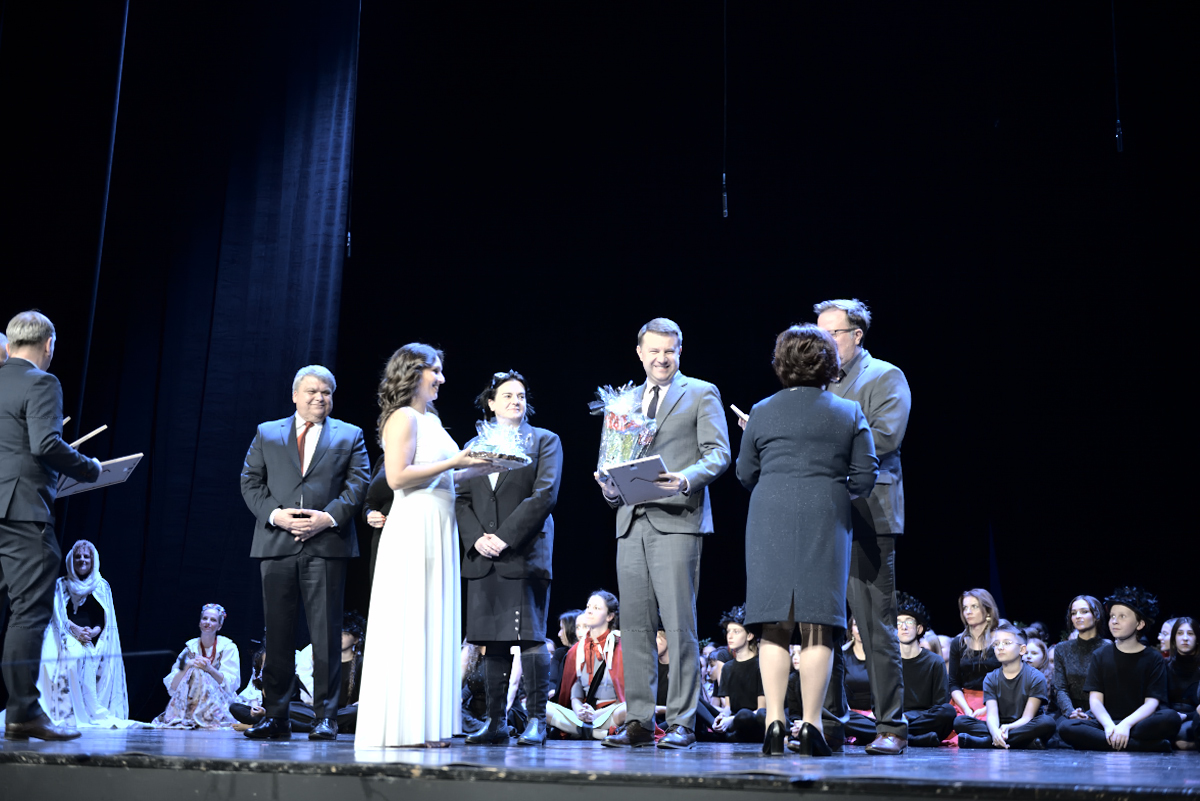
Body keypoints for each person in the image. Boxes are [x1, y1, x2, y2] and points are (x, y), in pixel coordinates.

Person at [736, 323, 877, 756]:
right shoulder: (848, 412)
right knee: (819, 626)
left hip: (769, 516)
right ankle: (812, 724)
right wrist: (830, 489)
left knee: (773, 625)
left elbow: (745, 473)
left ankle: (774, 722)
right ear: (829, 365)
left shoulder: (761, 411)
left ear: (781, 364)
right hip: (825, 518)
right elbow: (865, 476)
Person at [597, 318, 731, 751]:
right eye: (653, 351)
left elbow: (718, 454)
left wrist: (686, 478)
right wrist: (609, 488)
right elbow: (611, 460)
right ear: (640, 353)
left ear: (679, 351)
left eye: (669, 350)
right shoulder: (622, 401)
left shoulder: (701, 392)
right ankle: (638, 720)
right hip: (630, 522)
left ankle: (682, 722)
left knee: (678, 625)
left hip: (677, 519)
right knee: (635, 628)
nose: (661, 358)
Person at [355, 344, 493, 747]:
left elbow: (444, 478)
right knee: (412, 621)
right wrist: (455, 462)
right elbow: (397, 477)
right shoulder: (402, 417)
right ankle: (403, 728)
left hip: (439, 524)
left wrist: (481, 468)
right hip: (414, 526)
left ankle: (426, 727)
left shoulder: (431, 418)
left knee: (432, 622)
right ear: (414, 373)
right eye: (435, 370)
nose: (442, 378)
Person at [240, 364, 370, 741]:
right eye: (312, 391)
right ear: (295, 395)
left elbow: (358, 483)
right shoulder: (268, 432)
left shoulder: (350, 434)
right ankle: (276, 715)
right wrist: (276, 515)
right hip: (277, 543)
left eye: (326, 392)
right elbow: (250, 481)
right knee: (278, 633)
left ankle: (325, 716)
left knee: (326, 634)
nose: (319, 398)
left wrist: (327, 518)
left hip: (326, 544)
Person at [814, 298, 910, 756]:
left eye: (833, 333)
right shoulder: (816, 383)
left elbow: (885, 437)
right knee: (823, 626)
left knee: (874, 627)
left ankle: (891, 726)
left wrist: (814, 438)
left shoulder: (884, 376)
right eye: (819, 333)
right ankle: (829, 723)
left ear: (856, 335)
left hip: (868, 514)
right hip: (822, 516)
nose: (824, 342)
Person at [1, 311, 102, 741]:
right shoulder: (42, 382)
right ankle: (23, 712)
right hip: (22, 512)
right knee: (29, 611)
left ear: (9, 344)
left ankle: (22, 710)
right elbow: (45, 443)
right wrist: (89, 467)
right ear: (48, 345)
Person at [456, 370, 562, 746]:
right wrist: (477, 539)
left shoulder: (544, 440)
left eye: (521, 396)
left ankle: (536, 720)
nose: (516, 401)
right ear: (491, 403)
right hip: (484, 557)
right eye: (507, 396)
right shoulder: (474, 445)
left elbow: (544, 494)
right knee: (492, 640)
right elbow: (461, 497)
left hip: (523, 552)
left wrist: (504, 538)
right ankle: (495, 721)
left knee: (529, 637)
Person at [1058, 587, 1181, 751]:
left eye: (1122, 616)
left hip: (1138, 722)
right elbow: (1095, 701)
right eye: (1112, 616)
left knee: (1171, 718)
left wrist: (1126, 725)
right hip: (1106, 721)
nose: (1114, 621)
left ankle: (1112, 741)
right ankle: (1139, 745)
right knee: (1066, 727)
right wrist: (1109, 726)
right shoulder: (1100, 655)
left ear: (1139, 623)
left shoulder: (1153, 658)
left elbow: (1152, 702)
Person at [35, 540, 134, 729]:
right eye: (78, 556)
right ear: (71, 560)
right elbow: (57, 615)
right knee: (73, 655)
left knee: (93, 658)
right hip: (63, 634)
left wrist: (92, 632)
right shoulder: (61, 585)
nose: (82, 560)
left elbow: (104, 619)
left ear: (93, 560)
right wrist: (75, 630)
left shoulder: (102, 586)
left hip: (90, 638)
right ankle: (66, 711)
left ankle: (87, 710)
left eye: (86, 556)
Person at [954, 624, 1056, 749]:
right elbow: (992, 715)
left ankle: (986, 742)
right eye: (996, 644)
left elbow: (1027, 717)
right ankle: (1022, 742)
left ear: (1022, 650)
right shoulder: (991, 678)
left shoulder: (1036, 677)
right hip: (1000, 725)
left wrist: (1009, 727)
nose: (1000, 647)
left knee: (1047, 722)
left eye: (1007, 643)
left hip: (1024, 725)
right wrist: (995, 732)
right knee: (960, 722)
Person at [546, 591, 626, 740]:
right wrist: (579, 711)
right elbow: (575, 693)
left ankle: (582, 732)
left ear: (609, 616)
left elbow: (624, 696)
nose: (589, 611)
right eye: (588, 607)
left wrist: (595, 714)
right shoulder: (576, 650)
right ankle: (598, 734)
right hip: (582, 716)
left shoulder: (621, 646)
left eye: (596, 608)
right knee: (542, 707)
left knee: (631, 708)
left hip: (610, 714)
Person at [154, 604, 240, 728]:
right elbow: (173, 685)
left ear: (219, 626)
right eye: (205, 618)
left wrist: (209, 669)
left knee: (199, 672)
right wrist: (188, 665)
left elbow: (231, 684)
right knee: (194, 671)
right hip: (191, 700)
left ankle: (206, 717)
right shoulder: (190, 648)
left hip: (218, 702)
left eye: (213, 620)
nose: (207, 622)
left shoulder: (228, 647)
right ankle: (191, 715)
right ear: (200, 623)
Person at [894, 592, 956, 746]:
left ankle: (898, 736)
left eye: (909, 622)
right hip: (894, 718)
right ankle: (914, 739)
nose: (903, 627)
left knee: (948, 712)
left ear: (919, 628)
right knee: (851, 719)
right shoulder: (888, 662)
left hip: (923, 719)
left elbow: (940, 705)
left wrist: (909, 716)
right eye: (898, 623)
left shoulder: (935, 661)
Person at [711, 606, 766, 743]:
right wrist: (723, 716)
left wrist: (732, 719)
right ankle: (722, 732)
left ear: (749, 635)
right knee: (695, 702)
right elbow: (728, 707)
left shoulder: (761, 665)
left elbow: (761, 709)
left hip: (751, 720)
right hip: (733, 720)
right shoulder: (727, 667)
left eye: (736, 632)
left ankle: (730, 735)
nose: (730, 636)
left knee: (744, 714)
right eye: (728, 631)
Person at [1052, 595, 1110, 721]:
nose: (1078, 616)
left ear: (1096, 616)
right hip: (1069, 712)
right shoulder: (1062, 649)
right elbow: (1060, 688)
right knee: (1064, 727)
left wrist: (1089, 715)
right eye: (1074, 613)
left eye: (1084, 612)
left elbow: (1110, 689)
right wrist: (1071, 712)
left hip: (1101, 712)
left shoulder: (1108, 648)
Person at [948, 589, 1002, 721]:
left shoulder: (1001, 641)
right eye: (965, 608)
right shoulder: (958, 642)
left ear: (988, 611)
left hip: (996, 700)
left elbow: (1011, 680)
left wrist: (988, 708)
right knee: (955, 720)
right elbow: (954, 683)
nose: (968, 612)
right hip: (965, 702)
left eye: (974, 607)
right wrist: (966, 709)